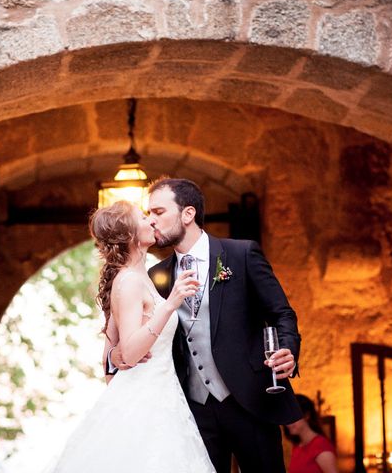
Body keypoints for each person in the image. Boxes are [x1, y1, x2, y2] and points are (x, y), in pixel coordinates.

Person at [108, 178, 303, 473]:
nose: (151, 221)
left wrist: (288, 348)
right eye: (148, 214)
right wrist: (115, 356)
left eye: (158, 212)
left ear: (188, 214)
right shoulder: (155, 276)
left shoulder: (242, 254)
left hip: (249, 400)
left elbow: (282, 314)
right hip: (191, 410)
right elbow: (131, 330)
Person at [46, 200, 216, 472]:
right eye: (144, 217)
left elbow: (109, 356)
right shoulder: (128, 281)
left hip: (162, 398)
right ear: (129, 236)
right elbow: (131, 351)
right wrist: (172, 303)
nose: (151, 221)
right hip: (144, 403)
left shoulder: (139, 277)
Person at [284, 394, 338, 473]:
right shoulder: (298, 445)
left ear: (307, 415)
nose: (288, 423)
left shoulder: (320, 445)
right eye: (287, 418)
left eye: (293, 417)